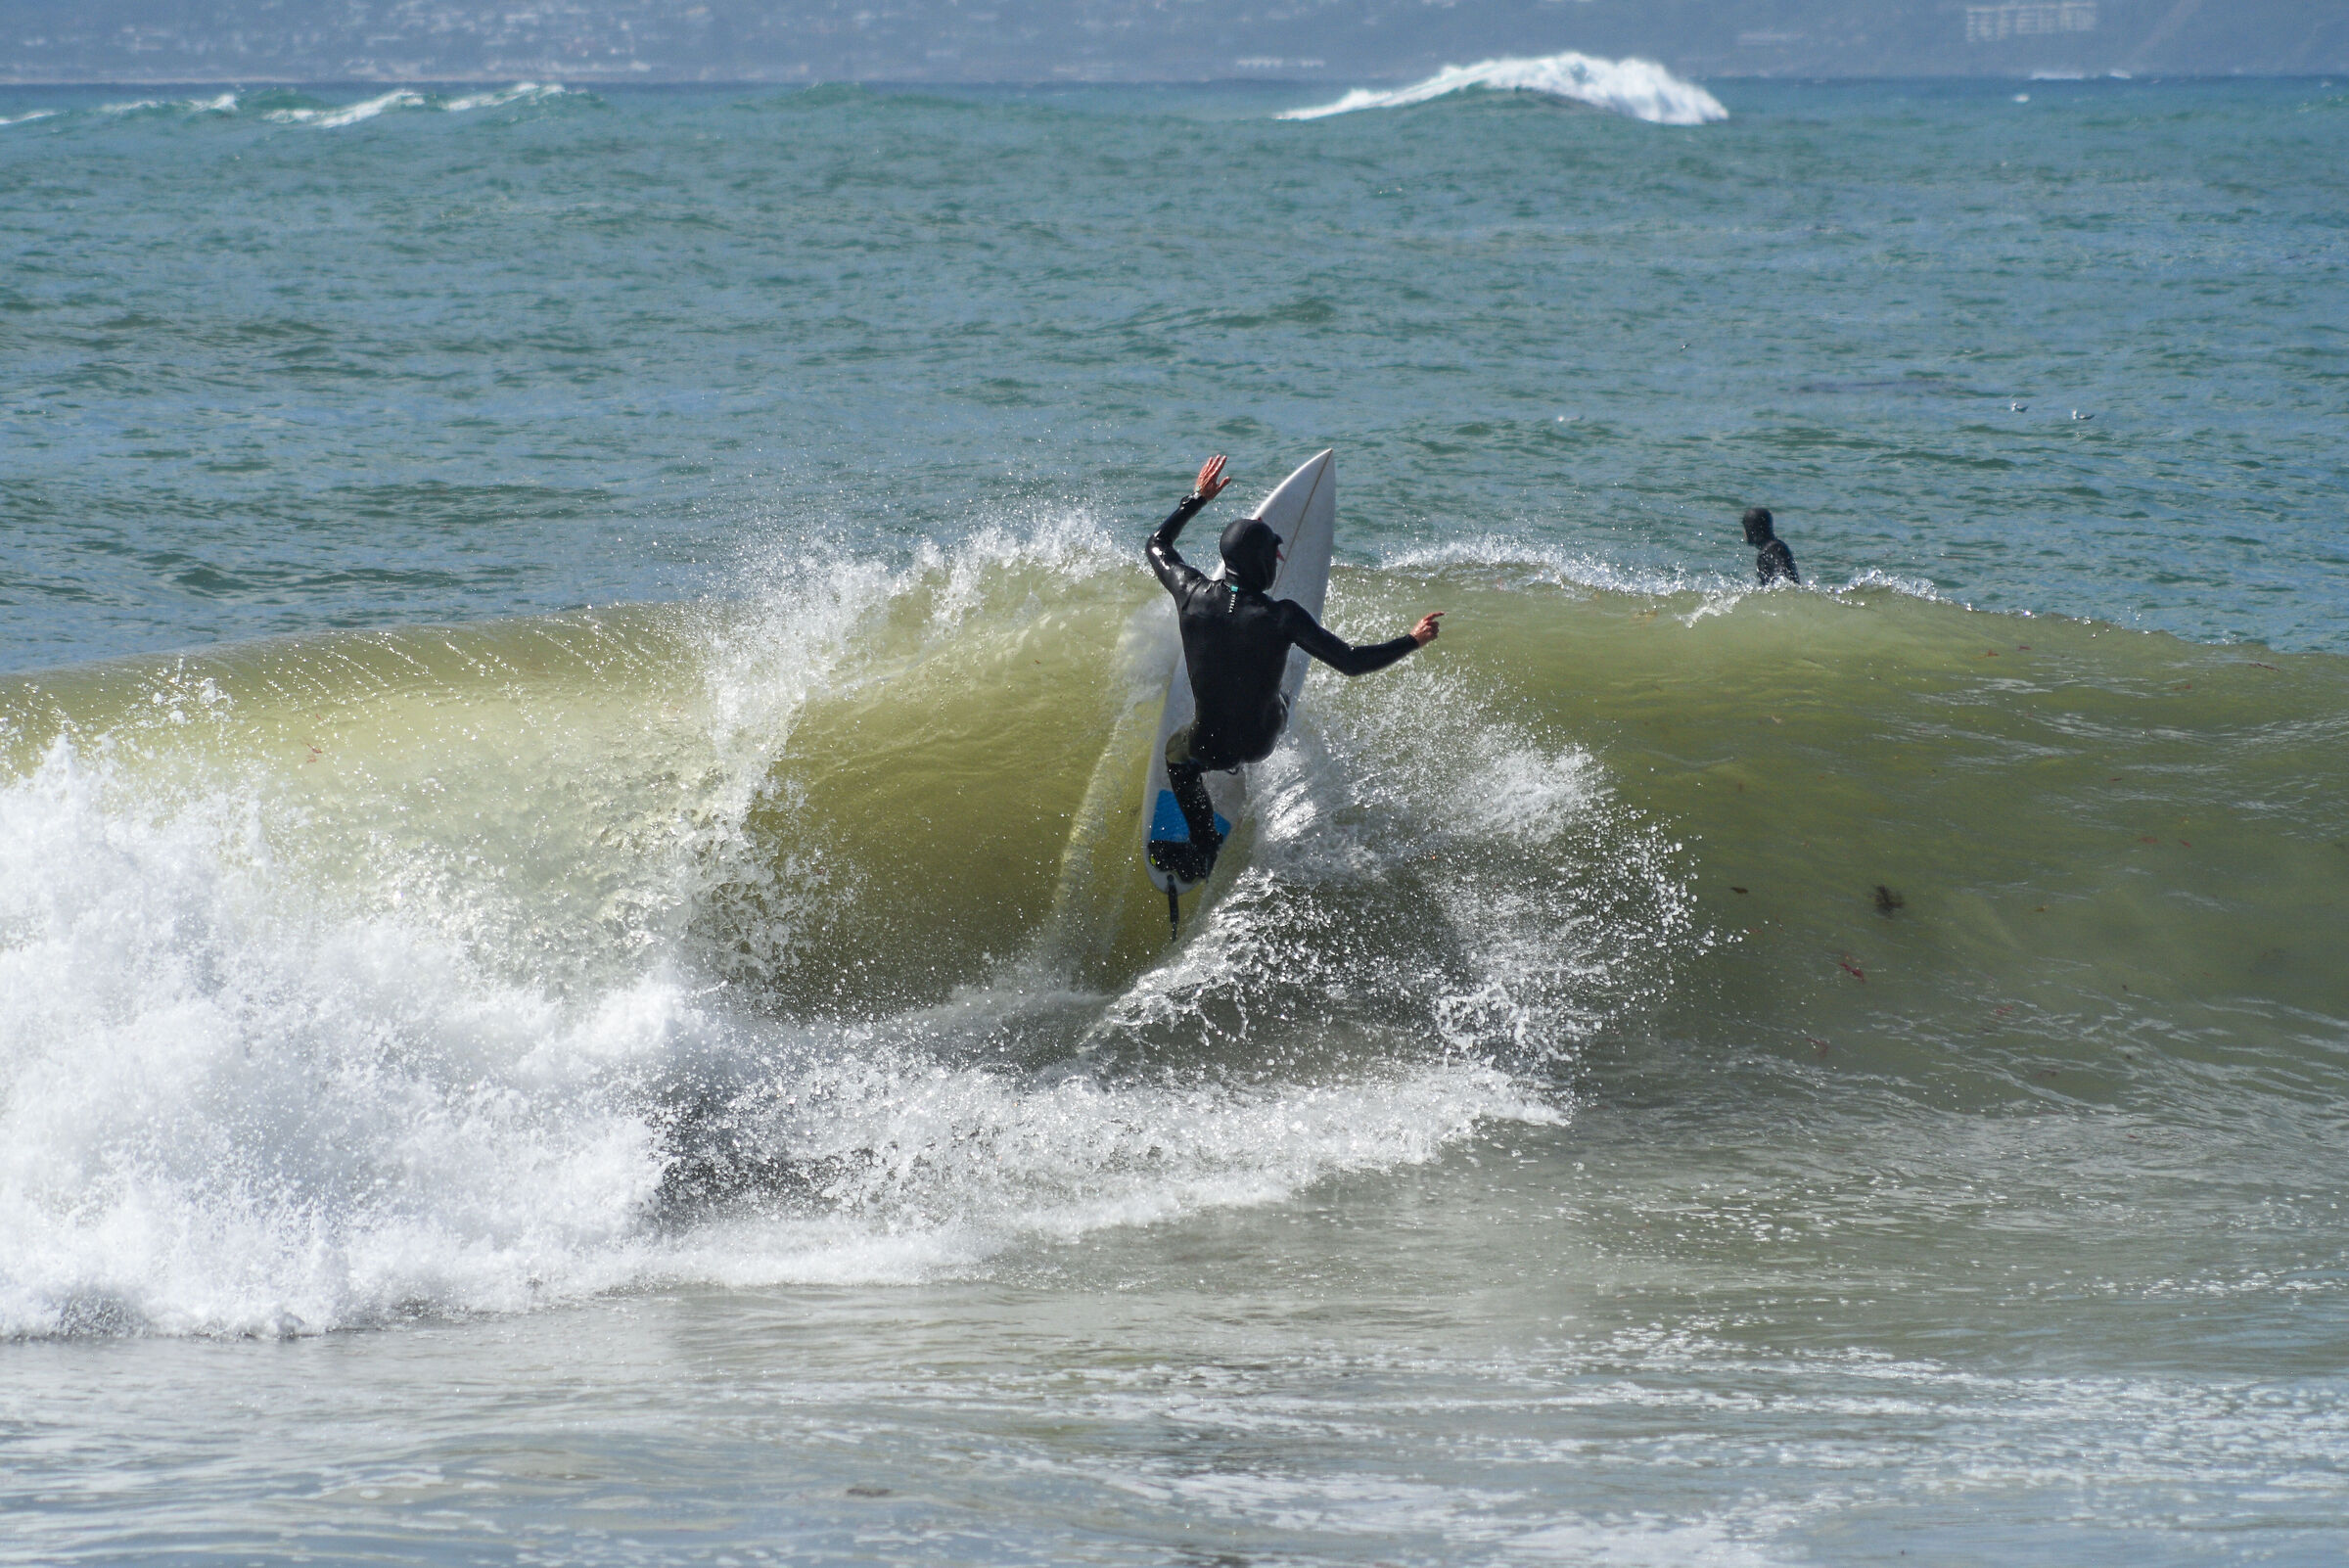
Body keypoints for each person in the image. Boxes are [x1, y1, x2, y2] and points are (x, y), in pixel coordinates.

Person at [1146, 453, 1443, 877]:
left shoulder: (1190, 592)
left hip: (1208, 743)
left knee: (1178, 757)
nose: (1279, 559)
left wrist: (1196, 499)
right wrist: (1412, 640)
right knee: (1278, 693)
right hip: (1260, 740)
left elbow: (1156, 544)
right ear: (1262, 563)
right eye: (1274, 553)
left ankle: (1203, 846)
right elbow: (1352, 662)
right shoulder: (1282, 616)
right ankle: (1279, 698)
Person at [1742, 506, 1799, 585]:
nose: (1744, 532)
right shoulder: (1772, 547)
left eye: (1745, 527)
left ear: (1751, 529)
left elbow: (1785, 581)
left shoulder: (1774, 549)